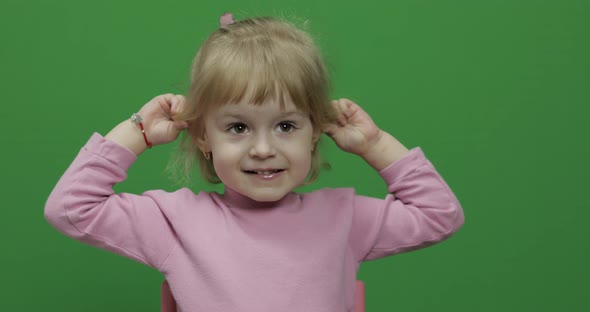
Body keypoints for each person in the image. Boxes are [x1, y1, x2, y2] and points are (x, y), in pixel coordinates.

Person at [45, 13, 465, 312]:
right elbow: (71, 208)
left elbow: (439, 215)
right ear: (202, 137)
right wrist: (135, 133)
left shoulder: (342, 217)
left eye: (285, 126)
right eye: (238, 128)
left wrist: (375, 145)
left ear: (315, 131)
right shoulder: (174, 221)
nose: (263, 148)